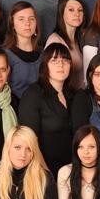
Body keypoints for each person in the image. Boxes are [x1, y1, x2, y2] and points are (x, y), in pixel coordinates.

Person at [18, 43, 73, 175]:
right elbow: (30, 141)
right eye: (54, 60)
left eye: (65, 60)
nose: (61, 65)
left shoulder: (72, 94)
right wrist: (47, 174)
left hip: (70, 170)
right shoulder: (33, 94)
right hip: (44, 170)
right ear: (45, 65)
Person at [70, 54, 100, 166]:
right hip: (92, 166)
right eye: (97, 74)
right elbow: (80, 139)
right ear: (90, 76)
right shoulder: (83, 98)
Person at [45, 0, 87, 90]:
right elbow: (51, 80)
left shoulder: (78, 39)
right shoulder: (55, 41)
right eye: (71, 10)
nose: (77, 14)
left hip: (81, 94)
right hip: (67, 95)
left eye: (80, 10)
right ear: (62, 13)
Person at [2, 1, 41, 99]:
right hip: (15, 105)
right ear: (12, 25)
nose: (27, 23)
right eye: (21, 19)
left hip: (42, 105)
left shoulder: (44, 53)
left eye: (31, 19)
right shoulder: (5, 55)